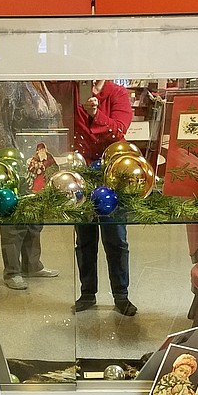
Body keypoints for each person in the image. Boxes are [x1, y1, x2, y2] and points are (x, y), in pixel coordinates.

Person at [72, 79, 137, 316]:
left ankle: (121, 296)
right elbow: (74, 133)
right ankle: (87, 293)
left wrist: (96, 113)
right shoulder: (74, 92)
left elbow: (119, 130)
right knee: (85, 239)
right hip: (82, 175)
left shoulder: (117, 93)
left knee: (116, 239)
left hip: (113, 175)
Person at [0, 82, 61, 290]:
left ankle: (32, 264)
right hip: (19, 160)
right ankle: (12, 271)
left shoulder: (42, 81)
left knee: (35, 214)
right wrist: (11, 161)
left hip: (40, 159)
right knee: (14, 216)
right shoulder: (11, 84)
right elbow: (0, 124)